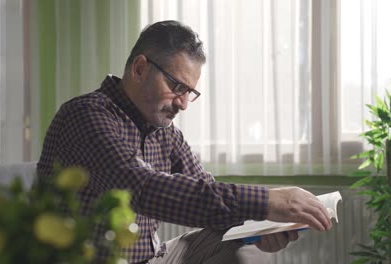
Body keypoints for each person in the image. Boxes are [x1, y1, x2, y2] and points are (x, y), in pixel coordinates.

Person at [36, 20, 332, 264]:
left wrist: (259, 227)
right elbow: (144, 189)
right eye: (177, 86)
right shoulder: (86, 115)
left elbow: (207, 192)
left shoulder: (165, 130)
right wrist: (267, 200)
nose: (183, 104)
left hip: (154, 258)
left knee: (242, 242)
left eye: (190, 91)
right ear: (140, 69)